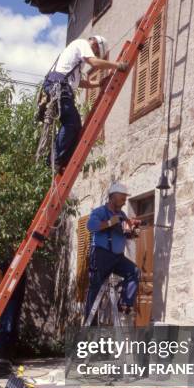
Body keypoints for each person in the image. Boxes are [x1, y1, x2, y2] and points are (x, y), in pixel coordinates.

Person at [43, 35, 129, 172]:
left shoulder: (76, 62)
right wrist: (117, 65)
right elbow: (95, 63)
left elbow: (81, 83)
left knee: (74, 126)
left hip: (60, 86)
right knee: (72, 123)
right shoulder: (81, 43)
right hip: (59, 85)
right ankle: (55, 159)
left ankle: (61, 160)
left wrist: (99, 84)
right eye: (95, 53)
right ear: (94, 44)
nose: (93, 54)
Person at [84, 183, 141, 323]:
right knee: (95, 288)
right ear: (112, 197)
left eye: (125, 198)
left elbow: (124, 233)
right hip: (101, 255)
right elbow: (90, 226)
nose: (125, 201)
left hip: (117, 257)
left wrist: (132, 232)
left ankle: (124, 303)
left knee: (134, 272)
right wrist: (110, 222)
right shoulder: (100, 212)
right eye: (122, 198)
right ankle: (90, 324)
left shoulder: (122, 215)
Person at [0, 253, 27, 361]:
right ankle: (2, 357)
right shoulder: (12, 262)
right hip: (9, 300)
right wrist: (2, 286)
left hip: (17, 300)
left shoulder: (23, 264)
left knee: (13, 328)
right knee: (6, 327)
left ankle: (9, 358)